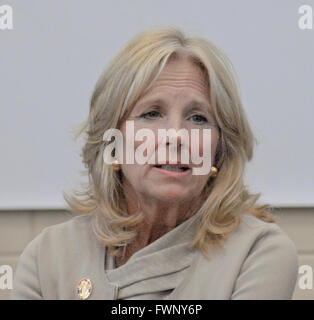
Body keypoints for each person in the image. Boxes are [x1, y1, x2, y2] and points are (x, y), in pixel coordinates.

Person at [12, 25, 298, 300]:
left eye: (198, 118)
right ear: (112, 140)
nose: (175, 136)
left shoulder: (258, 253)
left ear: (219, 151)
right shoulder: (47, 256)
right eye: (151, 114)